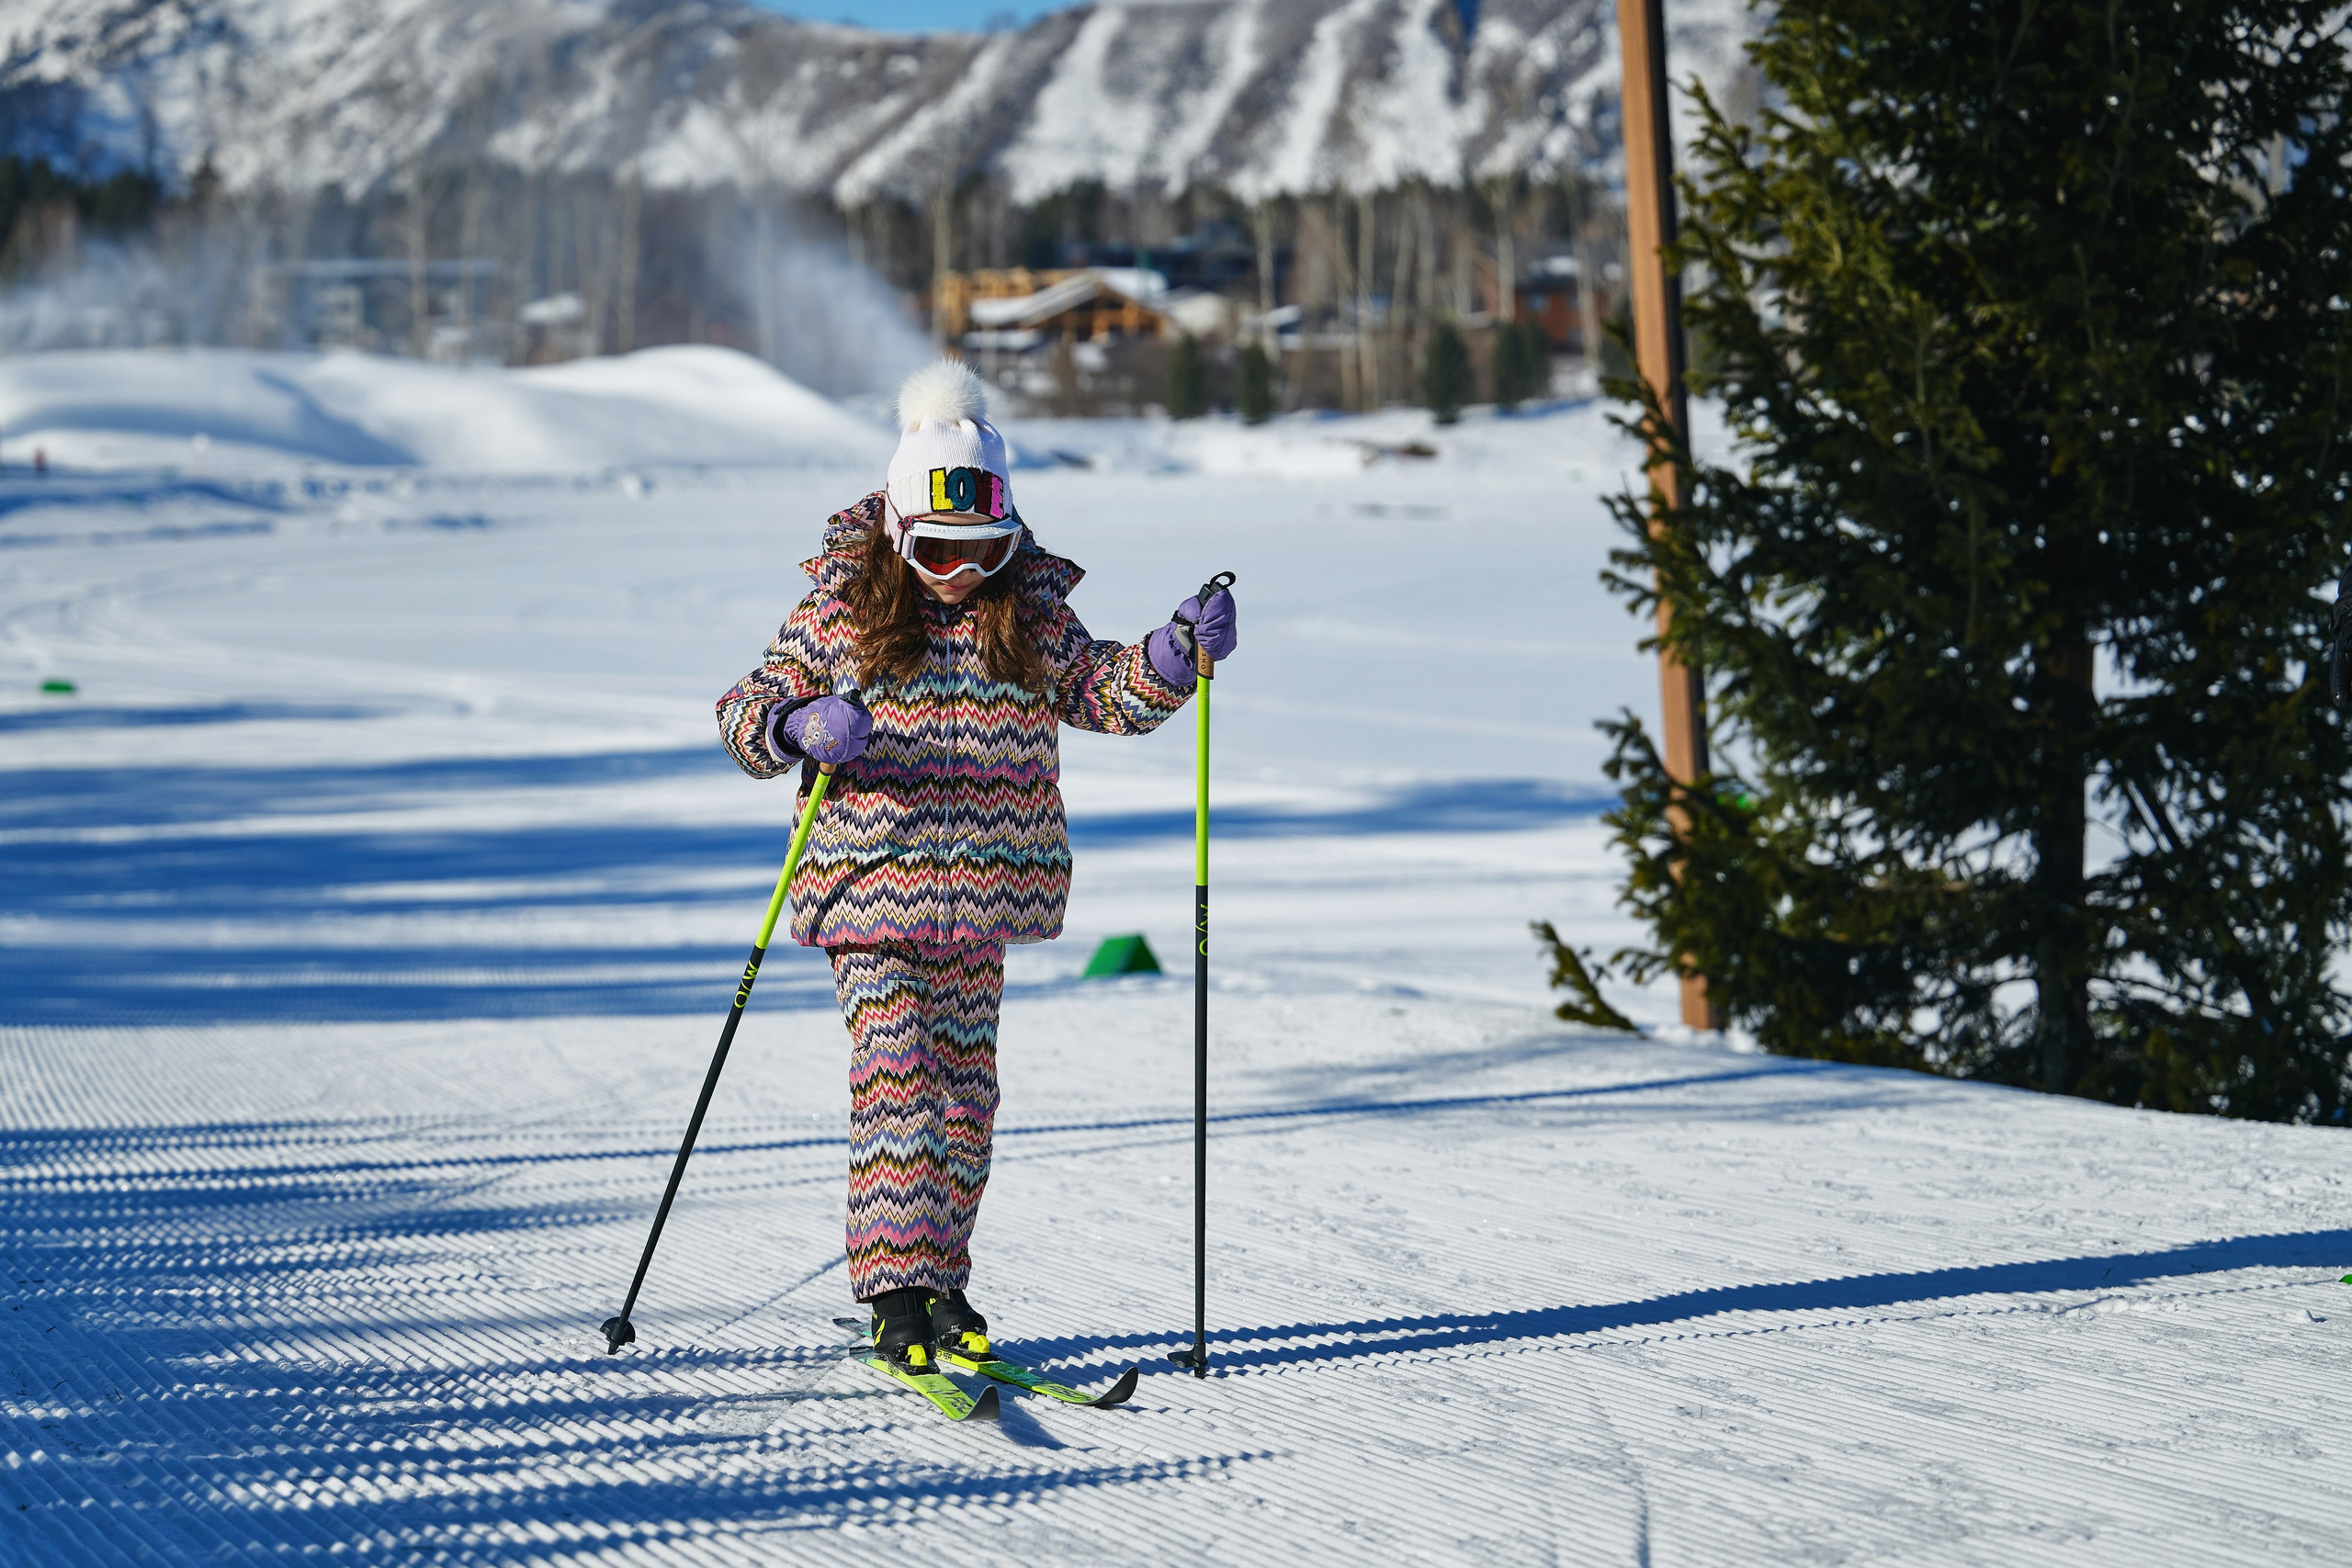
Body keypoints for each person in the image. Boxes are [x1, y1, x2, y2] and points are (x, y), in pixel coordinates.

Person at [715, 360, 1238, 1376]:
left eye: (982, 548)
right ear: (901, 533)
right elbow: (742, 714)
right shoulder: (840, 614)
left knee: (964, 1098)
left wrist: (1173, 655)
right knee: (898, 1079)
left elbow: (1099, 692)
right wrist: (793, 723)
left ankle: (942, 1279)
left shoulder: (1028, 615)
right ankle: (896, 1291)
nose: (959, 569)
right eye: (939, 548)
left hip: (986, 895)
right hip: (866, 891)